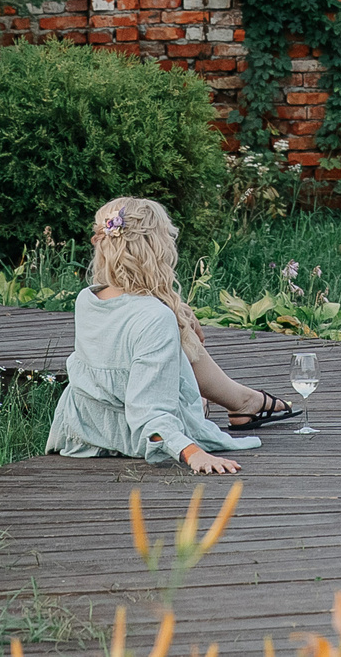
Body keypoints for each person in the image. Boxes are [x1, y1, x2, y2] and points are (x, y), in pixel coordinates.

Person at [46, 196, 300, 474]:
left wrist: (176, 312)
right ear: (159, 248)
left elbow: (131, 317)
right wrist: (192, 453)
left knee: (175, 333)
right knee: (184, 378)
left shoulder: (87, 298)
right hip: (136, 437)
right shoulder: (155, 317)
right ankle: (244, 401)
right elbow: (148, 414)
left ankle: (242, 400)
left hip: (82, 431)